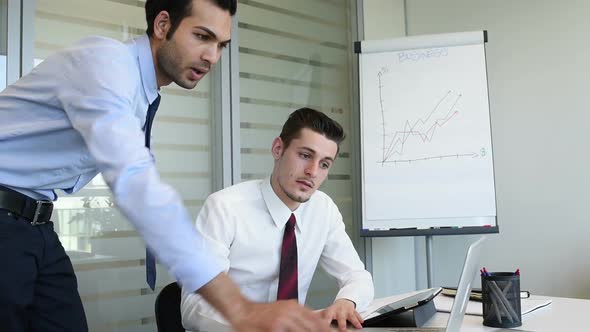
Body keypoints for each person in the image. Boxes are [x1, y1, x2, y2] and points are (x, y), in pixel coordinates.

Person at [0, 1, 329, 331]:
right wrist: (239, 308)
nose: (212, 57)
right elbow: (136, 185)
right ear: (162, 25)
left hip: (34, 222)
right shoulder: (106, 64)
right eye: (202, 36)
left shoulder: (142, 98)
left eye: (220, 46)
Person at [181, 107, 375, 332]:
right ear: (278, 149)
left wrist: (346, 302)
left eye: (324, 164)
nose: (312, 171)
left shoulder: (323, 209)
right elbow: (193, 307)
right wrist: (255, 320)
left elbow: (357, 276)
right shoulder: (224, 207)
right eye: (305, 155)